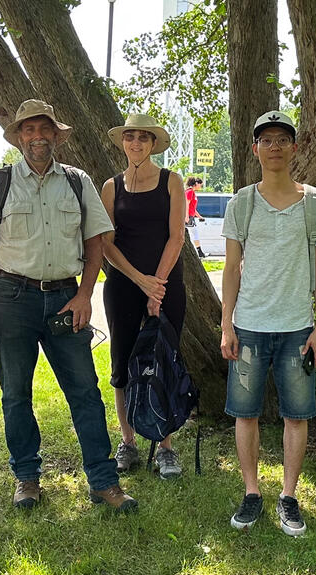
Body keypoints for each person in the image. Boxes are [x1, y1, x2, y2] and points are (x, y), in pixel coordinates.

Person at [0, 99, 137, 513]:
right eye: (29, 130)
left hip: (65, 299)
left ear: (57, 135)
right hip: (12, 300)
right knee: (15, 395)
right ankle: (26, 478)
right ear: (19, 136)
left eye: (44, 129)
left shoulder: (78, 183)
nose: (37, 136)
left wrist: (84, 295)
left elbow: (96, 243)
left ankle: (103, 481)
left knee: (85, 392)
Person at [222, 111, 316, 537]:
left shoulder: (315, 203)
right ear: (255, 150)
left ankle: (289, 496)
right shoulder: (242, 203)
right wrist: (226, 324)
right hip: (248, 325)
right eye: (266, 140)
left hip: (297, 328)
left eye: (282, 140)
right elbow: (232, 268)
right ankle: (252, 493)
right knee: (245, 414)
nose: (274, 147)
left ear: (294, 148)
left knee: (297, 415)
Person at [99, 114, 187, 478]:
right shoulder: (110, 187)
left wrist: (158, 285)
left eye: (143, 138)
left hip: (167, 285)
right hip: (123, 285)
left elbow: (177, 237)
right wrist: (140, 281)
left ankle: (164, 445)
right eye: (130, 137)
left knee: (161, 360)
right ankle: (128, 441)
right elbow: (106, 243)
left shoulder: (172, 182)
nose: (136, 143)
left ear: (153, 144)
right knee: (122, 364)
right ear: (123, 142)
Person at [185, 176, 206, 258]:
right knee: (195, 233)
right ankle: (199, 252)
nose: (201, 186)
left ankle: (199, 252)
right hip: (188, 216)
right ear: (196, 183)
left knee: (192, 233)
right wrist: (186, 216)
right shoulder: (190, 192)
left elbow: (192, 208)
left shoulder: (191, 192)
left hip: (190, 216)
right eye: (200, 184)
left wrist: (199, 216)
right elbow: (186, 204)